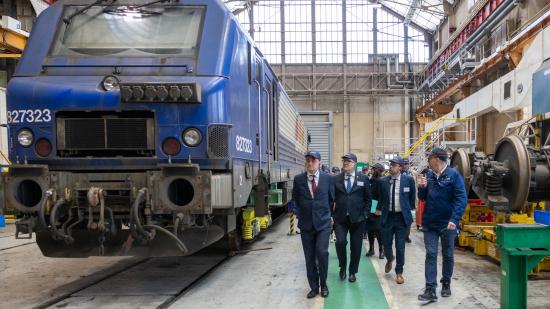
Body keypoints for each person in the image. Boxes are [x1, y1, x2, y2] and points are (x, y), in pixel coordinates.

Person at [417, 148, 467, 303]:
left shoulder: (454, 176)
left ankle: (446, 282)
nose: (427, 162)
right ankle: (430, 289)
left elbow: (461, 198)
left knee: (448, 254)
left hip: (448, 224)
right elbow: (422, 198)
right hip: (430, 222)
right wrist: (422, 188)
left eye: (429, 158)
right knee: (431, 254)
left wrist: (454, 219)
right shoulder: (428, 175)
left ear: (436, 159)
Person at [292, 151, 335, 299]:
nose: (310, 163)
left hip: (323, 223)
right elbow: (295, 199)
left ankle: (324, 285)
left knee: (322, 253)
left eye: (313, 160)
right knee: (309, 257)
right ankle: (313, 287)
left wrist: (329, 216)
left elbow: (331, 199)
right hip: (306, 225)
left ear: (319, 163)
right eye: (308, 160)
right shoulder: (298, 180)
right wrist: (299, 214)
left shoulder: (328, 179)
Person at [333, 152, 371, 283]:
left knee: (356, 247)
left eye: (348, 161)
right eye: (344, 161)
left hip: (358, 219)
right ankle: (342, 266)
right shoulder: (336, 179)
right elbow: (331, 198)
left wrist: (365, 214)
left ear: (354, 164)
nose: (345, 163)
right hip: (340, 219)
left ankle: (352, 271)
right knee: (340, 242)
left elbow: (368, 199)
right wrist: (332, 215)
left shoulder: (363, 178)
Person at [380, 157, 416, 284]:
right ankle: (390, 259)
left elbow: (412, 199)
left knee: (400, 246)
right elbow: (377, 197)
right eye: (390, 165)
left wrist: (407, 210)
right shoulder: (383, 181)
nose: (391, 167)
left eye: (394, 165)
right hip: (387, 217)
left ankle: (399, 272)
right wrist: (375, 210)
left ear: (400, 167)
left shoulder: (409, 180)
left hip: (401, 218)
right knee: (386, 244)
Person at [365, 163, 384, 259]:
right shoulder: (371, 180)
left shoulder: (381, 181)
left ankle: (381, 250)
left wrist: (379, 209)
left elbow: (382, 196)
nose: (371, 170)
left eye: (373, 169)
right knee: (370, 230)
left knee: (378, 231)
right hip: (370, 206)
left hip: (377, 207)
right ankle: (371, 249)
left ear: (378, 170)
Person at [400, 157, 413, 244]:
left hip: (408, 201)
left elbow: (413, 191)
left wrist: (412, 204)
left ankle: (406, 236)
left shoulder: (412, 174)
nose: (405, 166)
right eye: (404, 164)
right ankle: (401, 235)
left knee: (408, 220)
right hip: (400, 201)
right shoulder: (397, 175)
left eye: (406, 164)